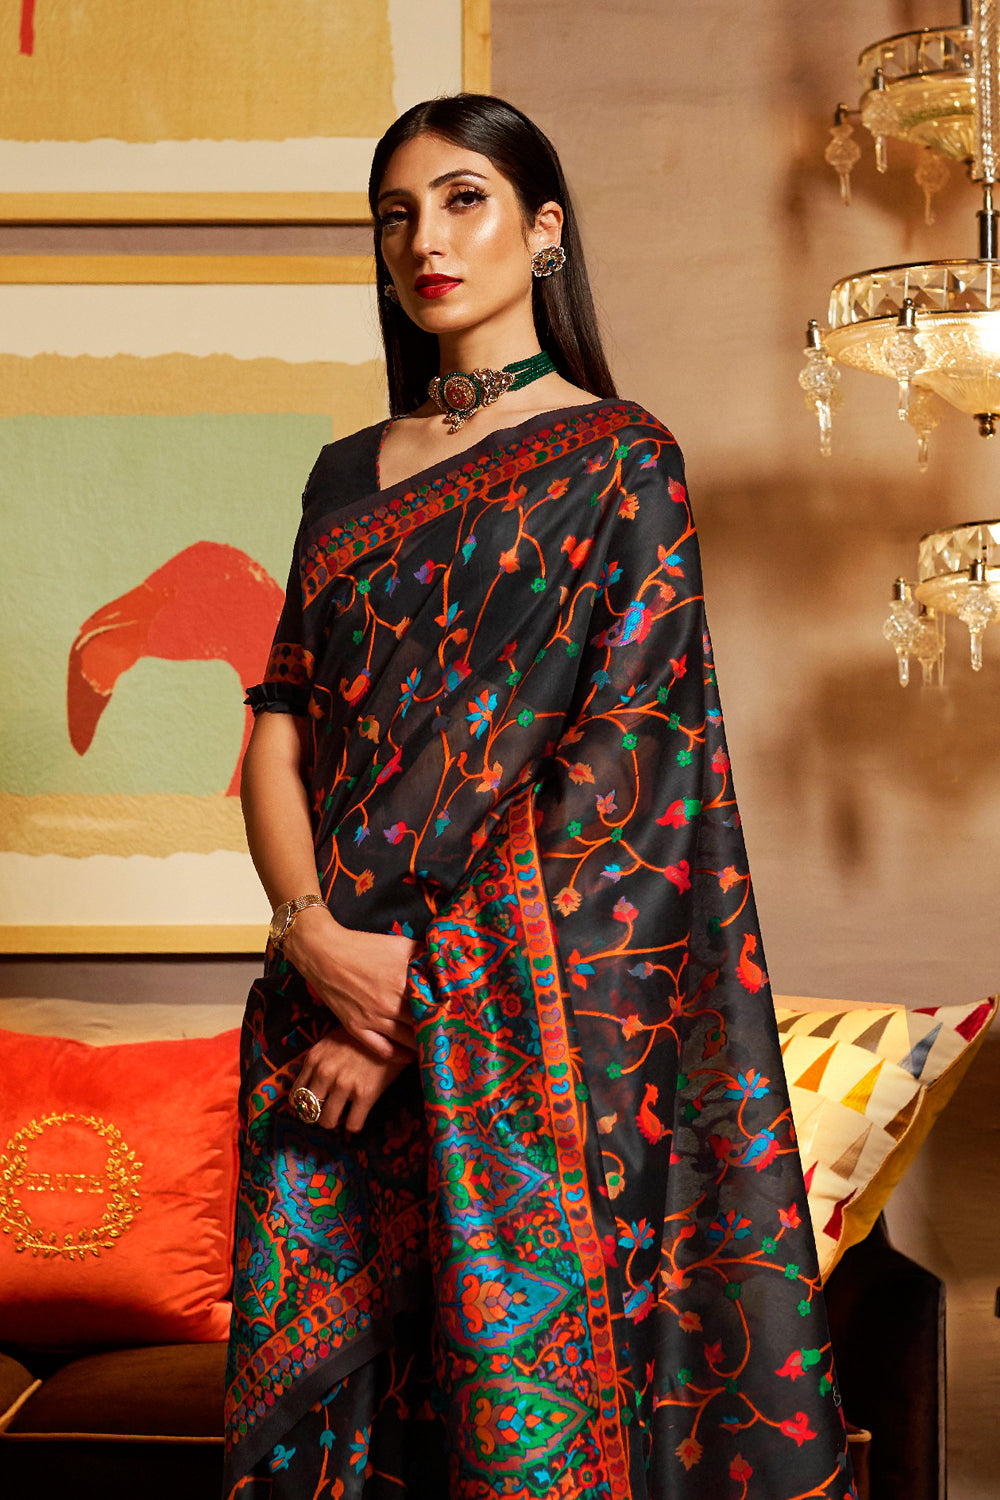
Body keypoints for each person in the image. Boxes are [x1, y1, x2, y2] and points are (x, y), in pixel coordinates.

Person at [224, 93, 854, 1500]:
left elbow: (619, 777)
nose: (426, 243)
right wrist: (315, 942)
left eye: (464, 201)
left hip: (508, 1032)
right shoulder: (343, 476)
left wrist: (406, 1013)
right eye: (397, 216)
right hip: (325, 1015)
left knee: (514, 1431)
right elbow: (279, 730)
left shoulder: (622, 460)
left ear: (544, 229)